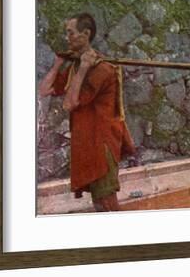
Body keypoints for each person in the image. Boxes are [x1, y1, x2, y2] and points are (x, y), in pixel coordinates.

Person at [39, 12, 136, 211]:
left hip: (102, 145)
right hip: (87, 144)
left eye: (71, 33)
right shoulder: (75, 65)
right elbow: (44, 90)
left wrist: (83, 68)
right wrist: (58, 63)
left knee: (107, 203)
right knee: (99, 204)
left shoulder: (102, 69)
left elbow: (69, 103)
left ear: (86, 34)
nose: (67, 38)